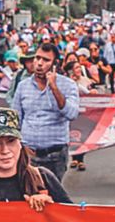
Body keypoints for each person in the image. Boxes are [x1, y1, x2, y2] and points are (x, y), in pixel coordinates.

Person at [10, 42, 80, 180]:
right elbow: (15, 118)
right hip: (29, 153)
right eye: (37, 58)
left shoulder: (68, 85)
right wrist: (19, 145)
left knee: (53, 195)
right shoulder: (23, 86)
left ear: (55, 64)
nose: (39, 63)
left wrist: (54, 87)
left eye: (46, 60)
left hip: (56, 154)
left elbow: (72, 113)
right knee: (29, 193)